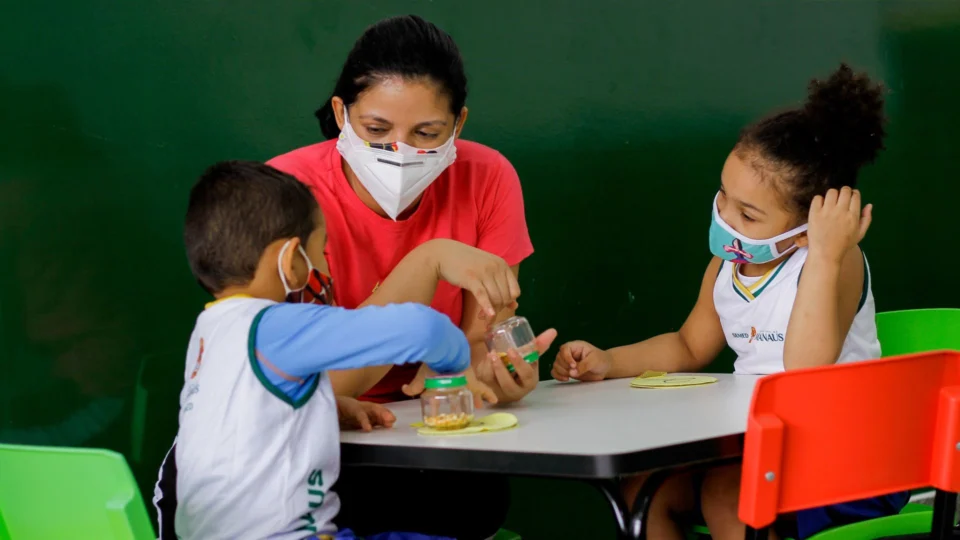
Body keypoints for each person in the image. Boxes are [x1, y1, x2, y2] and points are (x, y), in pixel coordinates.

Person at [551, 64, 908, 539]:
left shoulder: (833, 263)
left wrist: (824, 252)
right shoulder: (727, 266)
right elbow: (686, 346)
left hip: (848, 463)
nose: (725, 217)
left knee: (728, 491)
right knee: (644, 489)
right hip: (763, 450)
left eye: (749, 214)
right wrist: (607, 361)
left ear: (809, 223)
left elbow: (804, 371)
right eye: (723, 195)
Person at [268, 15, 555, 538]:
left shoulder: (487, 178)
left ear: (458, 125)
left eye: (427, 133)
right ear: (341, 114)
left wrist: (493, 373)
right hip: (315, 444)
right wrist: (430, 261)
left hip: (436, 439)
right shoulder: (285, 192)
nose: (399, 151)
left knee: (468, 502)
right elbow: (303, 386)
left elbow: (479, 342)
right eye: (377, 130)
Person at [154, 160, 538, 540]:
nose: (322, 265)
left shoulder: (210, 333)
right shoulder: (278, 325)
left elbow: (249, 414)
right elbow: (422, 328)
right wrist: (453, 367)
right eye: (320, 253)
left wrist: (321, 406)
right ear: (290, 260)